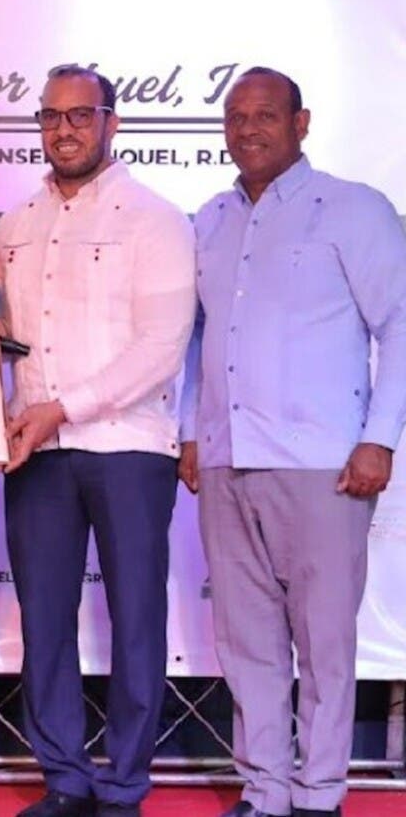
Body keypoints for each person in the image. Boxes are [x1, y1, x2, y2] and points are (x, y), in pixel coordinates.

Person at [178, 67, 406, 817]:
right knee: (247, 647)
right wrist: (189, 431)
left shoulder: (353, 210)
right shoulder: (207, 220)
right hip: (226, 459)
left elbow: (400, 326)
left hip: (324, 466)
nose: (248, 129)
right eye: (236, 117)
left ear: (301, 123)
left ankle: (320, 794)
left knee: (325, 646)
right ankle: (265, 791)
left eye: (265, 115)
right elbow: (197, 338)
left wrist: (379, 439)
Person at [0, 65, 196, 817]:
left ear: (112, 122)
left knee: (136, 617)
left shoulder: (156, 218)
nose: (64, 130)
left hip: (130, 447)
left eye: (81, 115)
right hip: (36, 452)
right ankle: (65, 779)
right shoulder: (14, 226)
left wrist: (61, 409)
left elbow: (161, 347)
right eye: (51, 116)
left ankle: (123, 784)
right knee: (44, 619)